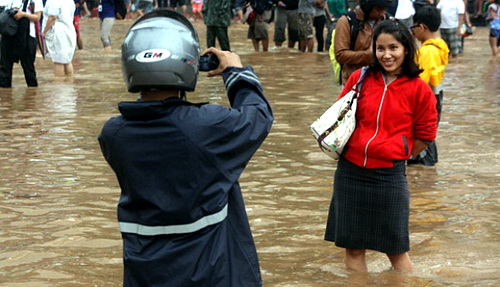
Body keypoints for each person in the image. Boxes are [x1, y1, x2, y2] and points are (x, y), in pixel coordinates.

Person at [97, 10, 273, 286]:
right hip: (210, 274)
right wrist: (236, 73)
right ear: (188, 63)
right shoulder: (206, 126)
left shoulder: (113, 134)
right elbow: (258, 116)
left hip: (145, 273)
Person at [324, 19, 438, 272]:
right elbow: (340, 115)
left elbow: (426, 135)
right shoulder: (359, 77)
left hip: (389, 175)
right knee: (353, 249)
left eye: (393, 48)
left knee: (396, 250)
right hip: (350, 172)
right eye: (380, 48)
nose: (386, 55)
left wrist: (397, 153)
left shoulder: (420, 90)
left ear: (406, 49)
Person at [409, 5, 449, 166]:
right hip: (437, 94)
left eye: (414, 27)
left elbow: (420, 80)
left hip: (427, 98)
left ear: (422, 27)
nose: (412, 31)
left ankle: (427, 170)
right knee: (429, 132)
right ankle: (428, 172)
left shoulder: (427, 51)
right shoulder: (441, 45)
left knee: (424, 135)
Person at [334, 0, 391, 84]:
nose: (382, 13)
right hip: (354, 82)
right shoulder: (346, 21)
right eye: (378, 10)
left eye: (384, 10)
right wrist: (369, 54)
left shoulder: (386, 20)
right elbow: (340, 55)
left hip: (381, 81)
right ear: (367, 7)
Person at [0, 0, 43, 88]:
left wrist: (23, 14)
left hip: (27, 37)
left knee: (28, 69)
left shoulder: (35, 1)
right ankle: (5, 97)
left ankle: (32, 96)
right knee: (4, 68)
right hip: (8, 34)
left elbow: (37, 17)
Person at [42, 0, 77, 77]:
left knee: (58, 61)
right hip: (69, 29)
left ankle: (59, 85)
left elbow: (52, 17)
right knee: (67, 60)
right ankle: (69, 84)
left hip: (58, 32)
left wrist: (44, 32)